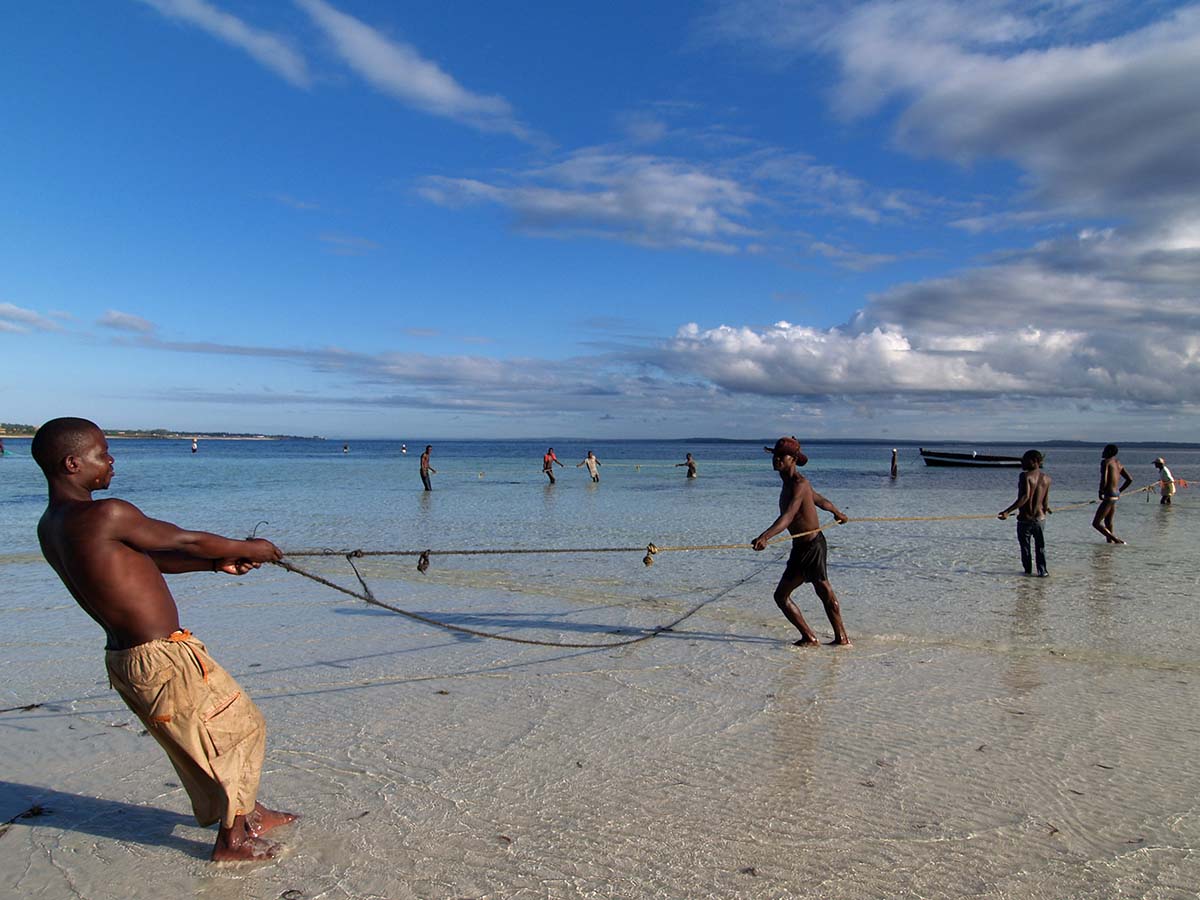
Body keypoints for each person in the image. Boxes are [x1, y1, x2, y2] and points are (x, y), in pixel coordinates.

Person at [30, 418, 296, 862]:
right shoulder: (108, 512)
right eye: (103, 452)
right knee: (240, 729)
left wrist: (218, 566)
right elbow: (186, 541)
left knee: (198, 740)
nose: (111, 460)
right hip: (161, 658)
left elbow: (150, 560)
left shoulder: (53, 525)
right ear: (73, 463)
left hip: (126, 658)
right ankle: (234, 841)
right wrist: (251, 548)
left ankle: (249, 811)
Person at [752, 437, 851, 647]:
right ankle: (810, 637)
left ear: (794, 459)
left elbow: (788, 515)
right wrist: (836, 512)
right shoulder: (790, 484)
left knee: (823, 590)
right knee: (781, 596)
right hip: (799, 549)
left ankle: (842, 639)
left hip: (813, 545)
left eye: (782, 456)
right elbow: (819, 500)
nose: (776, 459)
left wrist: (765, 537)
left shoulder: (799, 483)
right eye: (775, 456)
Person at [998, 449, 1052, 577]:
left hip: (1025, 519)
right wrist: (1046, 508)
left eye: (1024, 460)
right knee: (1040, 547)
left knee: (1025, 548)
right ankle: (1042, 572)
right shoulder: (1047, 478)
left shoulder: (1025, 476)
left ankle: (1027, 573)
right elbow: (1045, 500)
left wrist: (1007, 512)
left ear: (1034, 461)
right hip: (1040, 519)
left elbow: (1025, 497)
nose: (1021, 462)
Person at [1092, 444, 1133, 544]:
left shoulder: (1105, 462)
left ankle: (1116, 540)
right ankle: (1109, 544)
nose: (1102, 452)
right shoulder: (1118, 463)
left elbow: (1104, 479)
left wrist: (1100, 491)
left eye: (1104, 450)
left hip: (1109, 496)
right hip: (1115, 495)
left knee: (1096, 523)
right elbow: (1129, 479)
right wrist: (1119, 491)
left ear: (1109, 452)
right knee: (1108, 522)